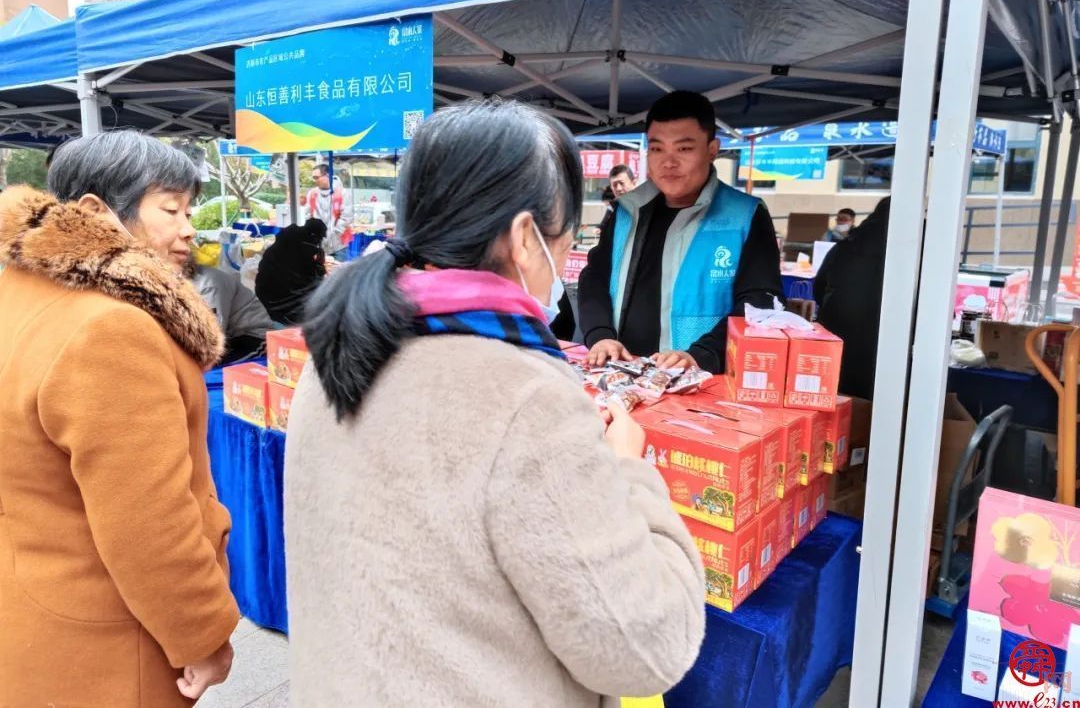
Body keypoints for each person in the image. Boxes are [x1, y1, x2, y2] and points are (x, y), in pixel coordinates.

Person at [285, 100, 706, 707]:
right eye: (566, 238)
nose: (563, 263)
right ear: (526, 239)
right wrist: (628, 471)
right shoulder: (528, 396)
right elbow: (645, 650)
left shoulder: (335, 351)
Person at [0, 130, 238, 707]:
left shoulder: (20, 292)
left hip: (34, 608)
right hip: (106, 636)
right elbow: (148, 522)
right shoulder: (111, 327)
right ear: (94, 211)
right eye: (170, 209)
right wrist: (202, 633)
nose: (188, 228)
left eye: (189, 210)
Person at [578, 90, 782, 372]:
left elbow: (760, 303)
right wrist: (599, 334)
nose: (668, 162)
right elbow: (594, 278)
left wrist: (703, 354)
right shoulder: (626, 210)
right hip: (622, 375)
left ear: (712, 150)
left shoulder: (745, 215)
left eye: (684, 149)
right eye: (657, 149)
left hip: (701, 381)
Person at [814, 197, 890, 400]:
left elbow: (819, 288)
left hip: (837, 340)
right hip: (882, 350)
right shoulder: (914, 256)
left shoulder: (845, 246)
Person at [186, 257, 275, 364]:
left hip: (251, 336)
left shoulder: (208, 283)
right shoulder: (176, 283)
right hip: (226, 337)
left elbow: (211, 337)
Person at [255, 217, 328, 325]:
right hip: (285, 311)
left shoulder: (281, 244)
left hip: (265, 303)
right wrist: (319, 265)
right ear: (314, 237)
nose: (319, 243)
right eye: (319, 239)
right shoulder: (302, 252)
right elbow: (312, 283)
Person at [306, 163, 350, 258]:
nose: (315, 180)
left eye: (316, 177)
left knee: (339, 267)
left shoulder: (342, 193)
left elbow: (346, 217)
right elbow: (308, 215)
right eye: (313, 178)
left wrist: (333, 234)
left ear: (327, 176)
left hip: (338, 246)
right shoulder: (312, 193)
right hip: (317, 245)